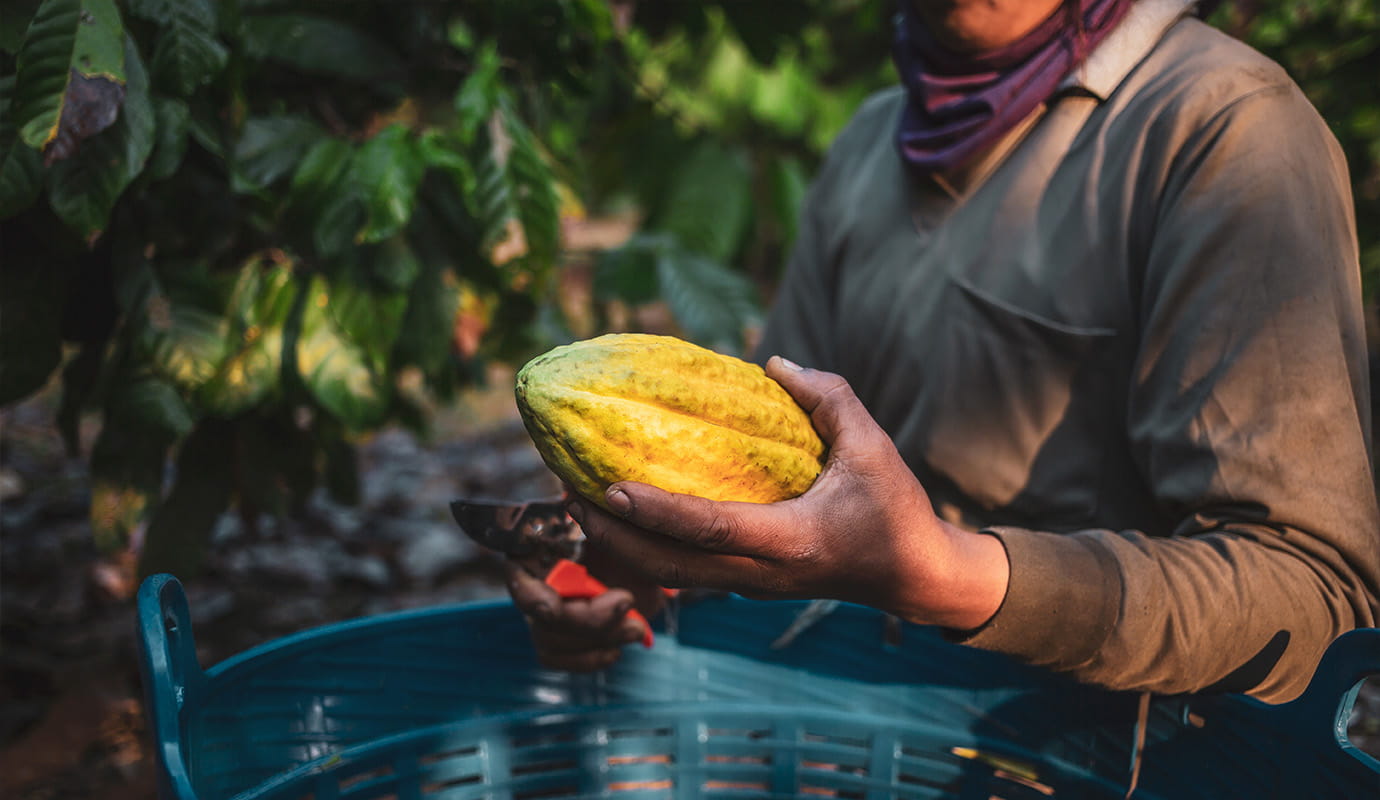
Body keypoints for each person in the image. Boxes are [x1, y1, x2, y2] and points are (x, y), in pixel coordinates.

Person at [506, 0, 1380, 702]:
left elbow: (1315, 598)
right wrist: (632, 573)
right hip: (859, 724)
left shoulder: (1224, 129)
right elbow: (767, 479)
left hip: (1100, 756)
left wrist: (939, 574)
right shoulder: (870, 140)